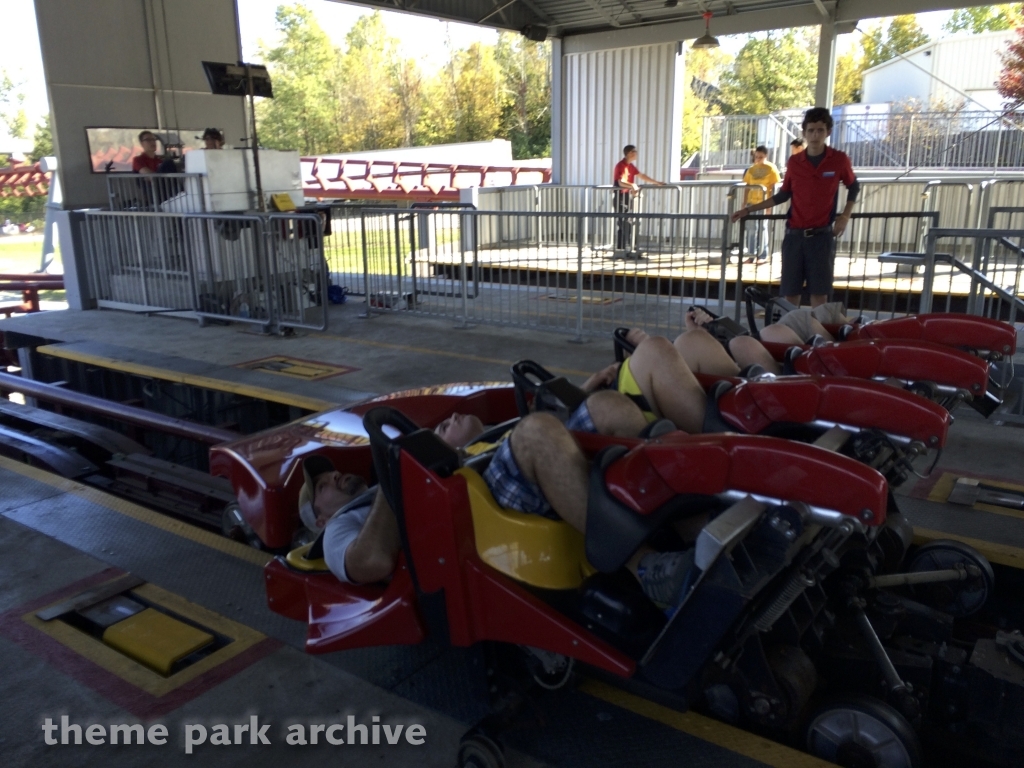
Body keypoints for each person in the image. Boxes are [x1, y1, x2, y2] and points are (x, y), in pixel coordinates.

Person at [300, 410, 695, 607]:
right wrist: (396, 471)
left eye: (330, 472)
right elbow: (371, 563)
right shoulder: (337, 531)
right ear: (319, 518)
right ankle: (646, 567)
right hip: (475, 524)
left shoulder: (383, 486)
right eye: (321, 486)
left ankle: (694, 521)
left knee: (604, 408)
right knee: (536, 433)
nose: (333, 476)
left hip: (485, 479)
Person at [731, 107, 860, 309]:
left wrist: (845, 216)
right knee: (790, 295)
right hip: (794, 236)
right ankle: (791, 328)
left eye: (820, 130)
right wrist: (749, 209)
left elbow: (854, 186)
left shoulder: (838, 159)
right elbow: (784, 194)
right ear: (804, 132)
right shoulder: (794, 162)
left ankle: (819, 330)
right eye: (811, 130)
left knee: (819, 297)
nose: (815, 135)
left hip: (822, 237)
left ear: (828, 132)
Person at [613, 145, 666, 254]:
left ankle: (623, 249)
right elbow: (620, 182)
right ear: (629, 153)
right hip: (620, 197)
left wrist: (656, 182)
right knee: (625, 223)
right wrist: (633, 185)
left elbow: (642, 176)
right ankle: (629, 248)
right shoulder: (621, 165)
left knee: (626, 223)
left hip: (627, 196)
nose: (636, 153)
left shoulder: (631, 166)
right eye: (634, 151)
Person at [740, 145, 780, 264]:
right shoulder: (751, 170)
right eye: (756, 157)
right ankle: (751, 255)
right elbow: (747, 187)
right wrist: (744, 203)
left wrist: (770, 206)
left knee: (762, 228)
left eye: (761, 157)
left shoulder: (771, 168)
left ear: (766, 156)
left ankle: (762, 255)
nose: (758, 159)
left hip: (764, 203)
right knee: (751, 229)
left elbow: (774, 187)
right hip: (751, 203)